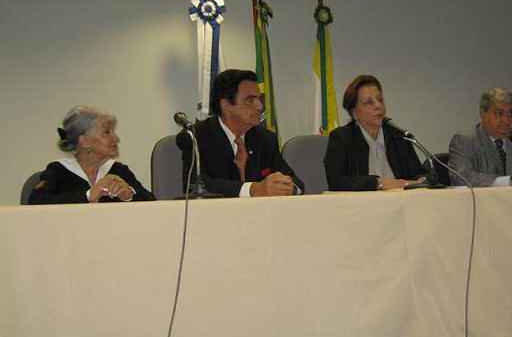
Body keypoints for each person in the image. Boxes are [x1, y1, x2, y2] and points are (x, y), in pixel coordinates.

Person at [177, 69, 303, 197]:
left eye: (259, 99)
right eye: (250, 100)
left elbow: (296, 183)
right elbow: (196, 185)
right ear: (226, 105)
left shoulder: (265, 138)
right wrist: (252, 189)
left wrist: (290, 188)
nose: (260, 106)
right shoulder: (196, 137)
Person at [28, 106, 155, 204]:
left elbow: (153, 204)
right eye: (106, 132)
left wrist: (129, 195)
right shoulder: (58, 171)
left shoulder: (119, 170)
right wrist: (88, 195)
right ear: (84, 141)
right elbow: (35, 202)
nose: (116, 139)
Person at [324, 74, 425, 191]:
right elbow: (336, 182)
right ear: (354, 113)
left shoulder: (399, 136)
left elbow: (418, 174)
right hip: (362, 201)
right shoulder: (341, 138)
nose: (378, 106)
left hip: (402, 199)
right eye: (369, 102)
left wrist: (423, 179)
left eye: (380, 100)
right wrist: (378, 183)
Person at [449, 88, 512, 187]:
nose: (506, 121)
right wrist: (509, 181)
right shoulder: (464, 141)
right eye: (499, 114)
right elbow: (461, 178)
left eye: (510, 114)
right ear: (483, 113)